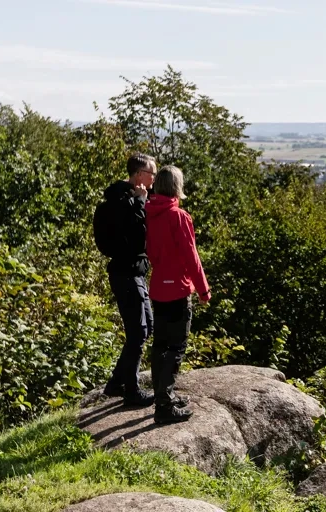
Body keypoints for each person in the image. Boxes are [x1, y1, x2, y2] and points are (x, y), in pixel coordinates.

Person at [144, 165, 211, 424]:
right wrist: (203, 289)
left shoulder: (148, 213)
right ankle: (164, 404)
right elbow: (191, 257)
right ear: (177, 187)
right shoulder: (179, 216)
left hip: (159, 287)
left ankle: (164, 396)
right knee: (176, 345)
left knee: (160, 344)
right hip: (178, 289)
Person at [96, 153, 158, 406]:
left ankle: (116, 383)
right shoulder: (122, 201)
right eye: (151, 173)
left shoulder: (132, 198)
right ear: (139, 175)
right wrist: (142, 202)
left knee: (147, 327)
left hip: (134, 272)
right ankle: (131, 391)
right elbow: (136, 233)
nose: (154, 178)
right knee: (138, 330)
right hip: (126, 272)